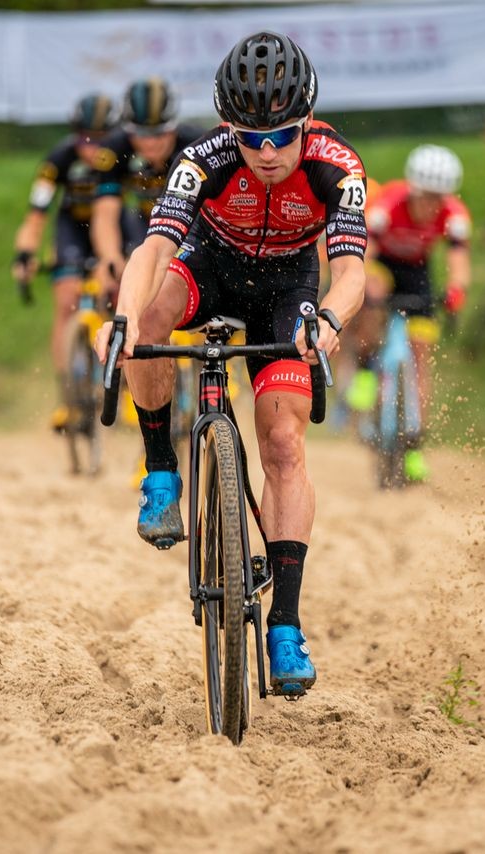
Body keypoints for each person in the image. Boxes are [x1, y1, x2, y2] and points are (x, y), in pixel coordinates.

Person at [94, 31, 367, 697]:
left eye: (283, 136)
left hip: (289, 291)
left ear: (307, 122)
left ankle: (285, 625)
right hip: (211, 268)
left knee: (281, 443)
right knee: (154, 316)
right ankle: (161, 474)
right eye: (252, 138)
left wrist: (328, 321)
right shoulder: (203, 158)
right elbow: (152, 250)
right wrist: (124, 322)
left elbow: (351, 269)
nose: (268, 152)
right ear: (228, 128)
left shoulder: (338, 167)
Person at [346, 144, 471, 482]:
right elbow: (365, 252)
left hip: (418, 275)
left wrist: (457, 290)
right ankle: (365, 368)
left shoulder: (455, 215)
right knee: (373, 294)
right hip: (384, 265)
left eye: (438, 198)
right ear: (413, 190)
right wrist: (364, 282)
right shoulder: (388, 205)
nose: (431, 206)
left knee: (421, 356)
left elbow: (458, 260)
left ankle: (414, 445)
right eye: (425, 197)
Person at [11, 93, 119, 432]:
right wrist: (25, 254)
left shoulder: (125, 155)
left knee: (119, 288)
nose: (92, 146)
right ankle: (67, 396)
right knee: (66, 301)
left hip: (115, 224)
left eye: (100, 138)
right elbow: (36, 215)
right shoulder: (59, 158)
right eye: (85, 137)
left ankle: (126, 381)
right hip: (72, 227)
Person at [90, 78, 206, 294]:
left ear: (173, 126)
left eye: (160, 132)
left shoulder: (197, 145)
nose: (151, 143)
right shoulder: (113, 150)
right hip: (143, 223)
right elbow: (105, 212)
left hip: (193, 225)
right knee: (116, 275)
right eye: (142, 134)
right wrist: (110, 257)